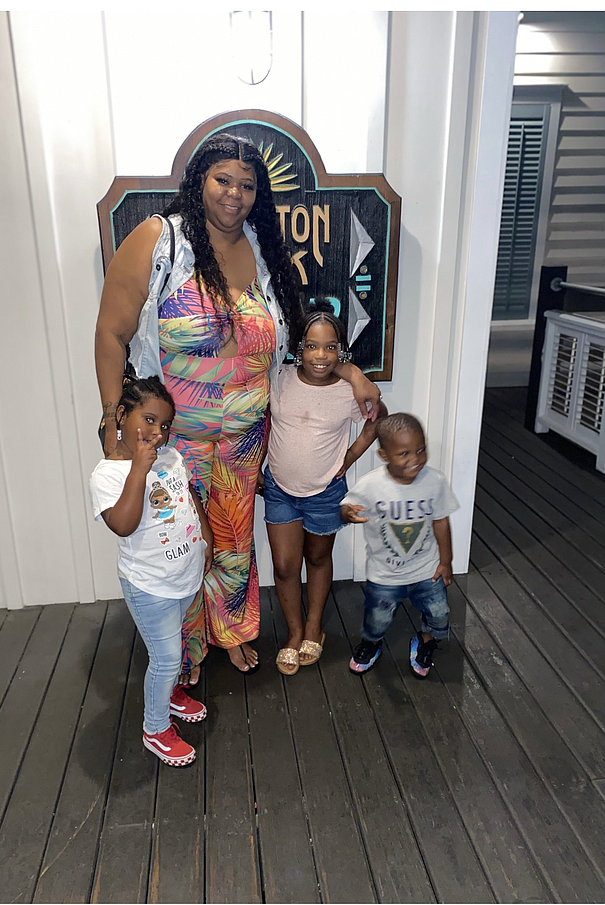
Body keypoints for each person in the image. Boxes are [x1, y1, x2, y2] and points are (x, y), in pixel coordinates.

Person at [95, 133, 381, 680]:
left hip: (246, 439)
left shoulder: (260, 245)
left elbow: (295, 345)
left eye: (247, 185)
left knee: (230, 541)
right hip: (174, 441)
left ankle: (229, 634)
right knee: (177, 541)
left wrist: (347, 370)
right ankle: (183, 649)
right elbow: (110, 333)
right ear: (199, 180)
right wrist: (114, 422)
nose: (235, 194)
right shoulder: (160, 241)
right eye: (223, 180)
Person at [89, 376, 213, 766]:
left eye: (164, 425)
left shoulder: (172, 457)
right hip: (149, 585)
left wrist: (205, 540)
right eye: (149, 420)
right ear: (122, 416)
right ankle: (155, 728)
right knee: (164, 657)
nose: (157, 433)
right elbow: (123, 524)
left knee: (172, 651)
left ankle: (170, 693)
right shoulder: (106, 475)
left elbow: (189, 495)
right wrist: (138, 471)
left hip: (182, 575)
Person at [260, 299, 386, 675]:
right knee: (284, 566)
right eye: (312, 346)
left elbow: (378, 418)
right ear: (299, 348)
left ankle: (314, 626)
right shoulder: (279, 378)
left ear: (341, 351)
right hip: (279, 488)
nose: (320, 355)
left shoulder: (349, 392)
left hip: (325, 493)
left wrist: (349, 458)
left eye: (331, 347)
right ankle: (294, 633)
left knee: (316, 559)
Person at [340, 413, 458, 678]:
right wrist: (347, 513)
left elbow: (441, 522)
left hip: (427, 570)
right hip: (385, 574)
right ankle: (371, 643)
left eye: (420, 450)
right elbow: (347, 506)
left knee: (439, 613)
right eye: (404, 454)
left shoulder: (434, 482)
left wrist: (446, 561)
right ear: (384, 455)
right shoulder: (371, 484)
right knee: (377, 617)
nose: (414, 459)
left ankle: (425, 641)